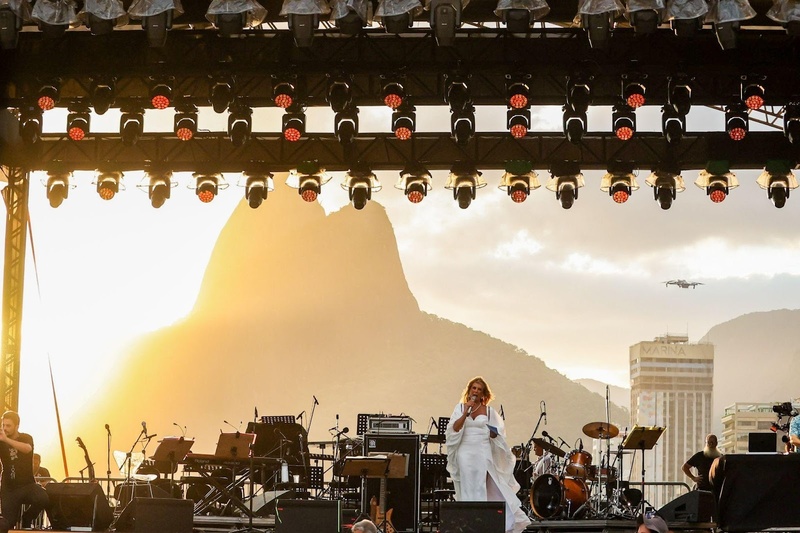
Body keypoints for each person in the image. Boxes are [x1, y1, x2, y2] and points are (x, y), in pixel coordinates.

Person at [446, 376, 531, 533]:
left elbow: (497, 435)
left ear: (483, 393)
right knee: (467, 486)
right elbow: (454, 429)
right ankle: (468, 523)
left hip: (482, 450)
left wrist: (494, 434)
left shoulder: (490, 411)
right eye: (474, 388)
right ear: (469, 390)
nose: (476, 391)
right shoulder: (460, 408)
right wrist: (466, 412)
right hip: (465, 451)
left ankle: (482, 522)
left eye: (479, 389)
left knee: (482, 485)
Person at [0, 411, 49, 532]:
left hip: (27, 485)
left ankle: (27, 518)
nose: (5, 428)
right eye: (3, 425)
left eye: (8, 426)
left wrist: (6, 440)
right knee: (7, 523)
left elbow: (27, 449)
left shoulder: (26, 438)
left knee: (43, 498)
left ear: (17, 426)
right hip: (9, 488)